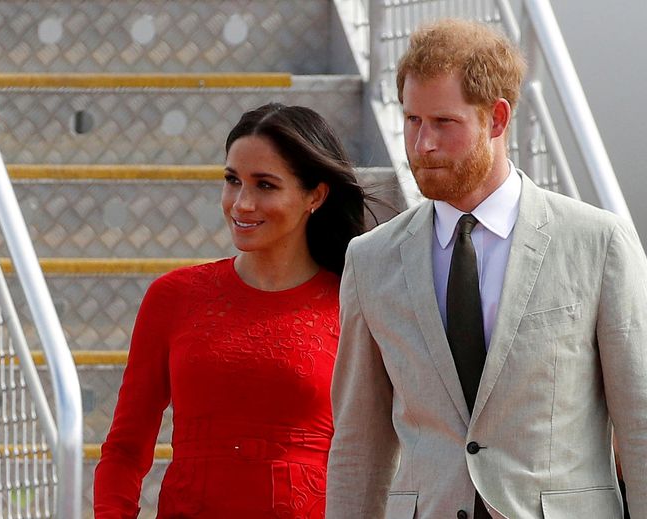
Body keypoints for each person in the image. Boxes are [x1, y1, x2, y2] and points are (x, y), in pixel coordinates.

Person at [326, 18, 647, 519]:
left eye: (443, 123)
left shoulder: (598, 243)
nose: (422, 144)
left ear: (497, 119)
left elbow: (641, 423)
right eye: (412, 120)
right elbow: (356, 445)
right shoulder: (370, 259)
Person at [94, 102, 373, 518]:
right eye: (232, 180)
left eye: (265, 185)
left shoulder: (355, 304)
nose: (241, 203)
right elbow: (125, 449)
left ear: (314, 195)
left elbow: (374, 455)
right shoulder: (173, 297)